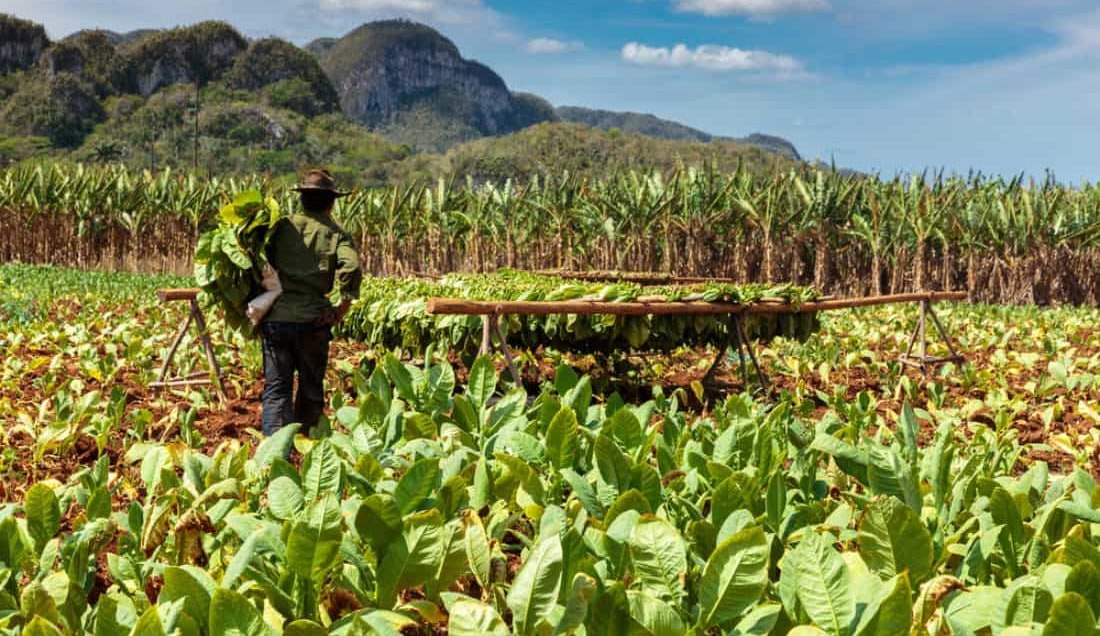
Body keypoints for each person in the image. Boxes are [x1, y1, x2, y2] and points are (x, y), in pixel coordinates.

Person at [260, 168, 362, 438]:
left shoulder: (282, 227)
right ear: (331, 203)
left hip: (277, 319)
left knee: (276, 390)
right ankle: (306, 453)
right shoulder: (336, 234)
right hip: (313, 324)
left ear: (302, 200)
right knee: (310, 389)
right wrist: (341, 308)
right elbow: (351, 267)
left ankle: (275, 456)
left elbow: (259, 261)